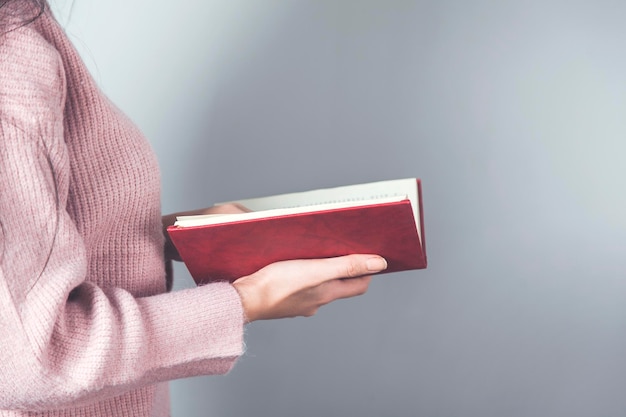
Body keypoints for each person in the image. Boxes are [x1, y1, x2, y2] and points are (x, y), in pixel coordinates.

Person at [0, 0, 388, 416]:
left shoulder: (23, 23)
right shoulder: (11, 56)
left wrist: (180, 235)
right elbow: (31, 360)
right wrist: (249, 299)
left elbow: (42, 236)